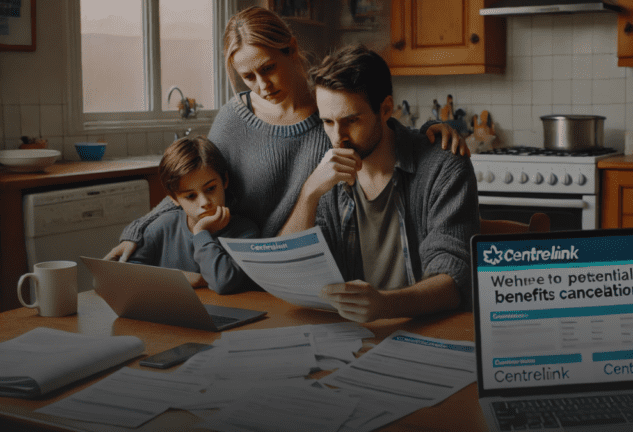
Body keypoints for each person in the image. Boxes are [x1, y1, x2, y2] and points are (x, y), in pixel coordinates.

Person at [105, 6, 467, 267]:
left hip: (295, 266)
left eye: (268, 68)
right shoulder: (234, 119)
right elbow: (194, 183)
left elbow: (376, 134)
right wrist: (137, 231)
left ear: (291, 50)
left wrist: (429, 135)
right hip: (233, 265)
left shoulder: (330, 118)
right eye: (249, 77)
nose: (262, 86)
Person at [280, 44, 480, 323]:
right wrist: (309, 194)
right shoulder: (326, 174)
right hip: (352, 337)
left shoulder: (443, 165)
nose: (338, 137)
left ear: (385, 109)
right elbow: (289, 270)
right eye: (327, 121)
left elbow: (454, 278)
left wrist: (386, 305)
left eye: (351, 120)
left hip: (430, 330)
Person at [128, 136, 260, 295]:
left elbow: (222, 282)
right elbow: (126, 275)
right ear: (174, 199)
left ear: (224, 180)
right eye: (191, 196)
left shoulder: (245, 232)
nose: (204, 202)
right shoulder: (163, 226)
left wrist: (200, 233)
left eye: (211, 188)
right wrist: (184, 279)